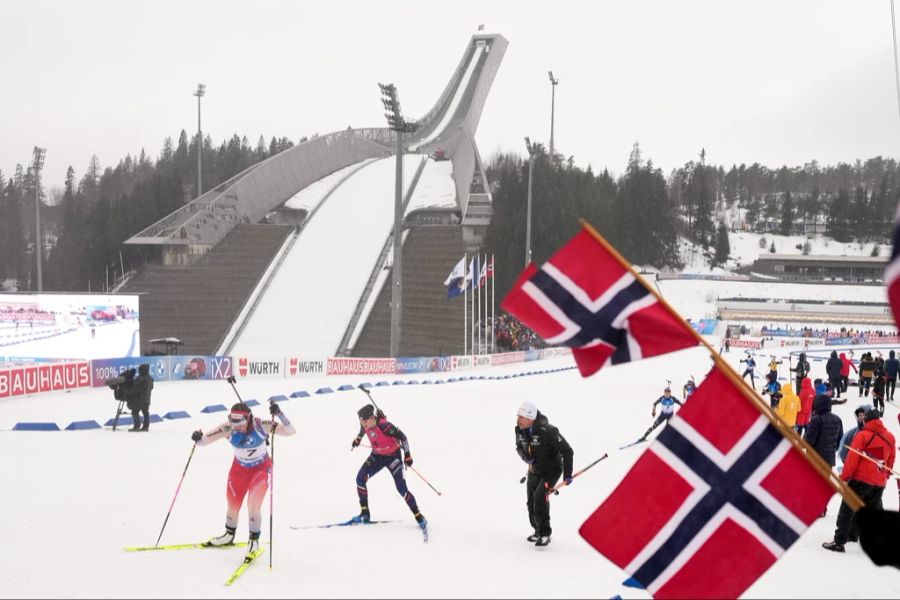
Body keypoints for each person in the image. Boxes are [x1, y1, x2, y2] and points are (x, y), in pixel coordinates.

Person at [191, 401, 295, 558]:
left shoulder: (261, 425)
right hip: (239, 470)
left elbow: (290, 431)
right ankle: (228, 535)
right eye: (233, 421)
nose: (236, 426)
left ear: (248, 418)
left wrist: (279, 413)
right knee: (232, 505)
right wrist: (197, 437)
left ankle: (253, 540)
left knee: (253, 505)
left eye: (240, 423)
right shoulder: (227, 427)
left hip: (260, 469)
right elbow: (203, 441)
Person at [823, 409, 896, 552]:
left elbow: (852, 460)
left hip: (860, 480)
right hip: (878, 483)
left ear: (867, 420)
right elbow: (891, 460)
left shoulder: (862, 436)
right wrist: (884, 475)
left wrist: (844, 477)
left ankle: (839, 541)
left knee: (847, 510)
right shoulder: (890, 438)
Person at [350, 404, 427, 533]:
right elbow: (362, 430)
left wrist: (407, 455)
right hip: (377, 456)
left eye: (364, 421)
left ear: (370, 418)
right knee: (360, 479)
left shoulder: (385, 426)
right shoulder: (365, 425)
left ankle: (419, 516)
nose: (363, 424)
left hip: (393, 458)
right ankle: (365, 514)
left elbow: (403, 438)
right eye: (361, 422)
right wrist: (358, 438)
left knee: (401, 489)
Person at [515, 401, 573, 547]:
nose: (518, 420)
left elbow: (567, 451)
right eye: (518, 416)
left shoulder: (549, 431)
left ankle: (545, 533)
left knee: (540, 497)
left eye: (521, 417)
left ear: (530, 419)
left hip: (551, 470)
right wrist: (525, 457)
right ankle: (537, 530)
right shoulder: (519, 430)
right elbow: (518, 447)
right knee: (531, 502)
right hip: (534, 469)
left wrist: (568, 474)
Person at [804, 394, 844, 516]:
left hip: (814, 457)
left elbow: (808, 441)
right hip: (829, 458)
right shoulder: (837, 419)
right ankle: (822, 507)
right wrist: (831, 449)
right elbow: (840, 440)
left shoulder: (816, 419)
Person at [129, 363, 154, 432]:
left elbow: (135, 389)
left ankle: (137, 426)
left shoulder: (139, 379)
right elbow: (151, 388)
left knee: (135, 411)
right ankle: (145, 427)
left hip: (139, 399)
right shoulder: (150, 378)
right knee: (146, 412)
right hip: (147, 399)